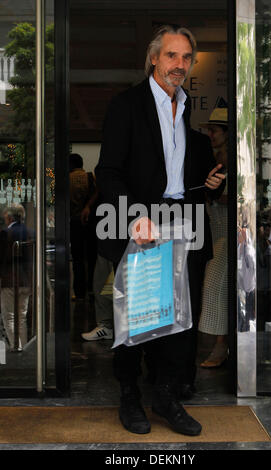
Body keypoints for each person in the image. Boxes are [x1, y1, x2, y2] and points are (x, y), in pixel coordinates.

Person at [95, 25, 225, 436]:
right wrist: (135, 216)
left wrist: (201, 186)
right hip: (139, 223)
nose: (180, 65)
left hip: (180, 223)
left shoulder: (184, 109)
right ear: (154, 58)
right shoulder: (127, 105)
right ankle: (129, 396)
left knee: (177, 320)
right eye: (172, 56)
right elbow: (109, 172)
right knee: (137, 320)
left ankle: (166, 397)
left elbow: (171, 177)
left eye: (186, 58)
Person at [198, 107, 229, 367]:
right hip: (215, 229)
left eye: (215, 130)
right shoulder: (214, 158)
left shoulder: (233, 161)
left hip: (230, 231)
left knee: (214, 285)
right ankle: (223, 344)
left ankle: (221, 345)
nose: (210, 134)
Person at [0, 203, 33, 351]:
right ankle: (24, 347)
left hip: (9, 280)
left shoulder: (5, 233)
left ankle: (16, 347)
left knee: (9, 317)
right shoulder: (31, 232)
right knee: (22, 317)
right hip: (26, 281)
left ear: (8, 217)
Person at [69, 153, 97, 300]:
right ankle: (92, 290)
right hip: (91, 223)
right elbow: (99, 193)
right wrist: (88, 206)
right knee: (92, 257)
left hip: (74, 222)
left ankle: (79, 292)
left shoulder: (67, 179)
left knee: (78, 258)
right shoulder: (91, 177)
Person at [81, 254, 114, 341]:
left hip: (126, 245)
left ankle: (109, 325)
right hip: (106, 245)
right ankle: (106, 325)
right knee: (101, 282)